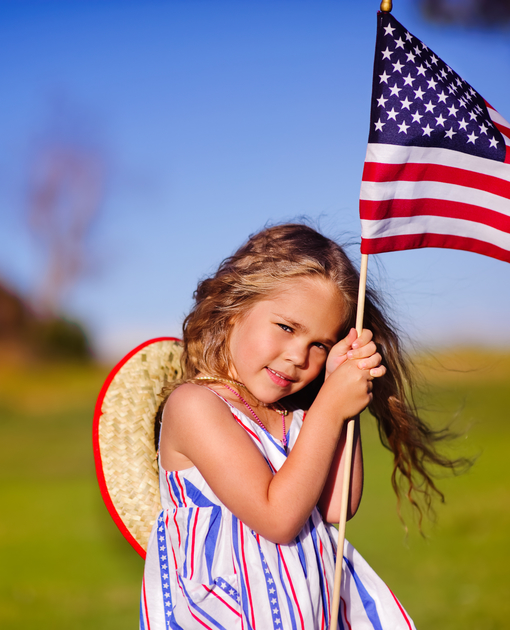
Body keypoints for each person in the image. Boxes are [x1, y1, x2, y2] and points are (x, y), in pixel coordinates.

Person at [140, 224, 462, 629]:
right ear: (235, 307)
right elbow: (277, 517)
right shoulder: (196, 405)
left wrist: (344, 391)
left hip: (307, 609)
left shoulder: (298, 414)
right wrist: (329, 409)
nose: (298, 356)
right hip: (233, 615)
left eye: (321, 344)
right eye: (287, 328)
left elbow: (337, 506)